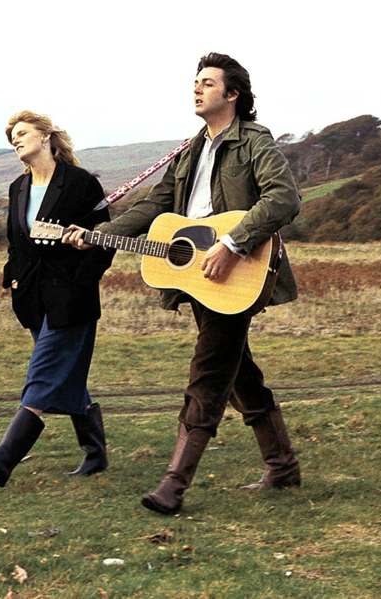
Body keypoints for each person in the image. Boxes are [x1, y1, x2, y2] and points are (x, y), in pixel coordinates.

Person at [65, 53, 302, 514]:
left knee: (209, 372)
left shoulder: (254, 141)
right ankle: (282, 464)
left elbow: (284, 198)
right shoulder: (189, 150)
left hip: (237, 268)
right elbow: (155, 206)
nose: (197, 89)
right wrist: (98, 237)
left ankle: (174, 484)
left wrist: (232, 244)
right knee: (239, 371)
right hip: (197, 277)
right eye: (195, 82)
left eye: (208, 83)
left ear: (232, 94)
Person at [0, 110, 114, 487]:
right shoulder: (18, 187)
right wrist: (13, 280)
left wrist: (83, 279)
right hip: (32, 298)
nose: (15, 140)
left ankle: (3, 458)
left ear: (46, 136)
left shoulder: (79, 184)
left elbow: (106, 238)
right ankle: (95, 452)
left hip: (72, 298)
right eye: (11, 137)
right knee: (67, 373)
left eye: (22, 133)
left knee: (44, 371)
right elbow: (18, 244)